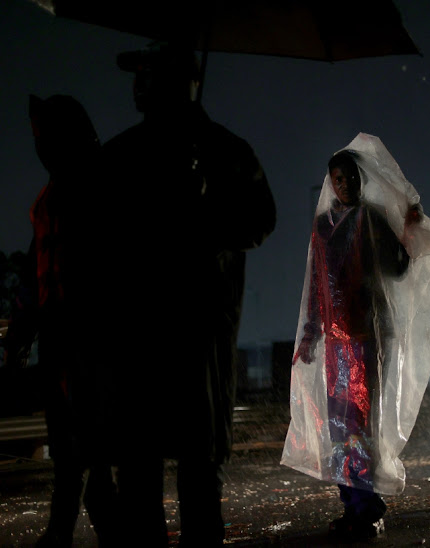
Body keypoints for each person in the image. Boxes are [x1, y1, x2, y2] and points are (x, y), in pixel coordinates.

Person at [91, 41, 276, 548]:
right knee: (140, 485)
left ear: (176, 82)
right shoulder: (120, 154)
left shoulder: (223, 152)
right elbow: (94, 244)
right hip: (136, 346)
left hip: (197, 341)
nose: (137, 87)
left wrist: (206, 206)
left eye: (146, 75)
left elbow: (261, 219)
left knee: (197, 479)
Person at [281, 134, 430, 540]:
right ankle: (352, 505)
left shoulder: (369, 220)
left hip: (364, 337)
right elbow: (316, 286)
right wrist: (310, 333)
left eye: (348, 179)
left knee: (359, 424)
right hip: (335, 342)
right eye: (337, 180)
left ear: (359, 180)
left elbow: (397, 268)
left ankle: (367, 508)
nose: (343, 186)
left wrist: (409, 229)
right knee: (339, 429)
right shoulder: (323, 228)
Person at [4, 94, 118, 548]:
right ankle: (69, 524)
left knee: (91, 436)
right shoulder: (55, 195)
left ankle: (91, 523)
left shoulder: (96, 186)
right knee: (69, 437)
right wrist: (22, 328)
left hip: (92, 332)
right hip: (60, 332)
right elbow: (38, 267)